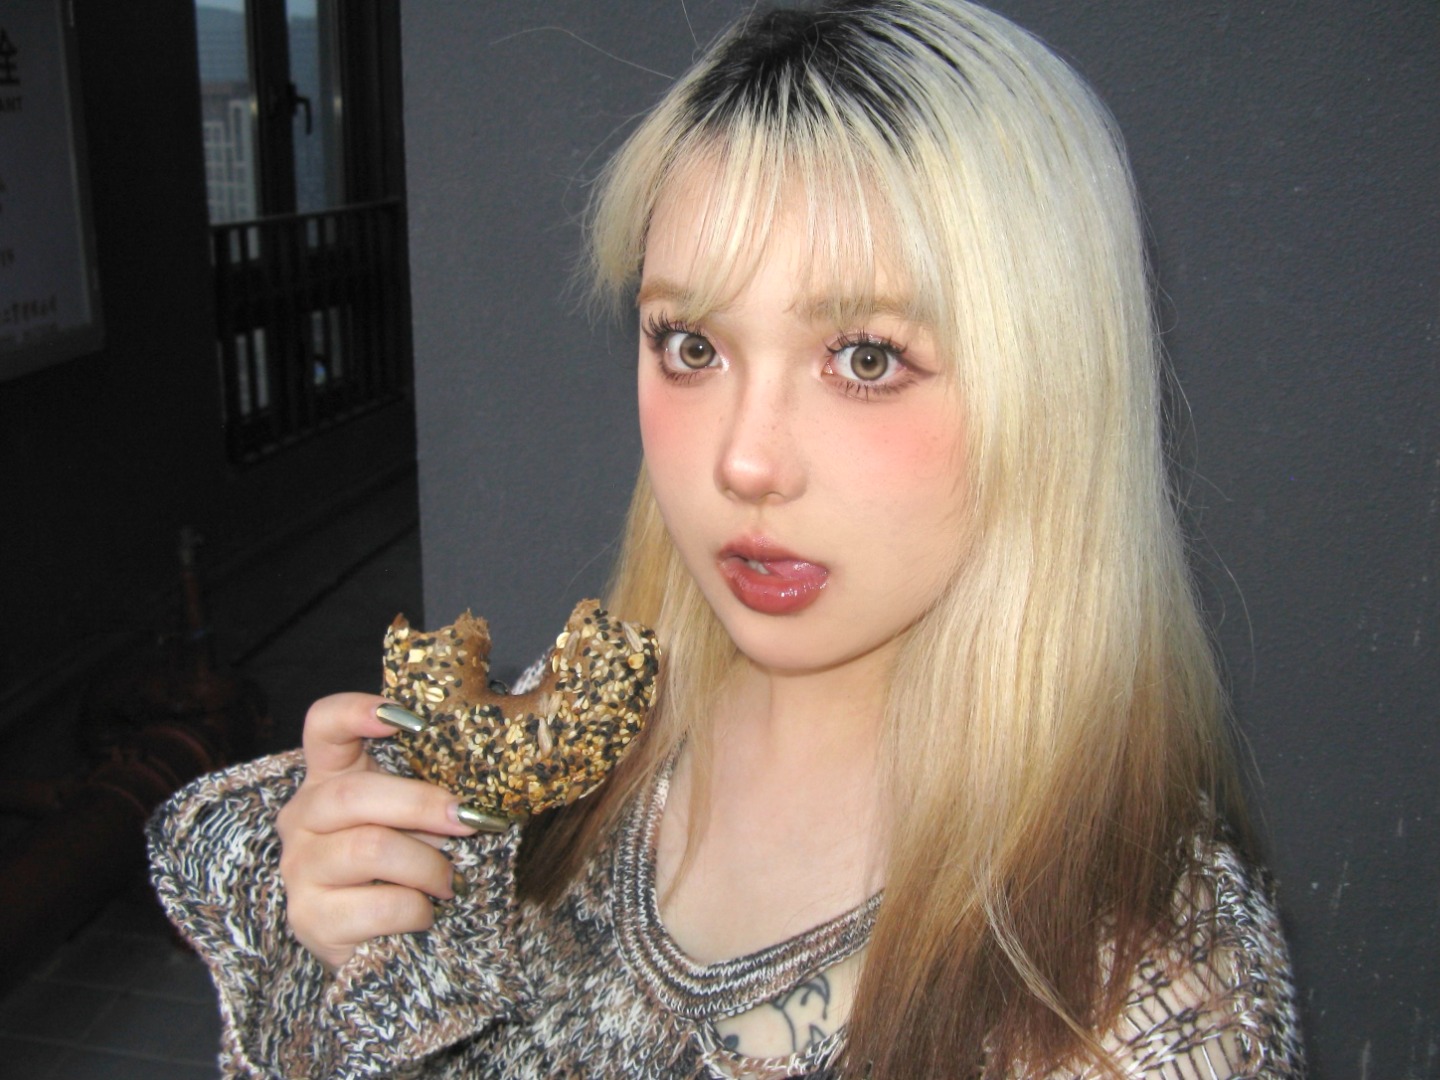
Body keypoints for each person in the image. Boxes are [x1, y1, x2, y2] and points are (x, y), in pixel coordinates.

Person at [148, 2, 1303, 1077]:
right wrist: (356, 943)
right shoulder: (569, 745)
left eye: (866, 357)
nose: (743, 463)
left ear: (1054, 391)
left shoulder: (1143, 999)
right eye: (692, 346)